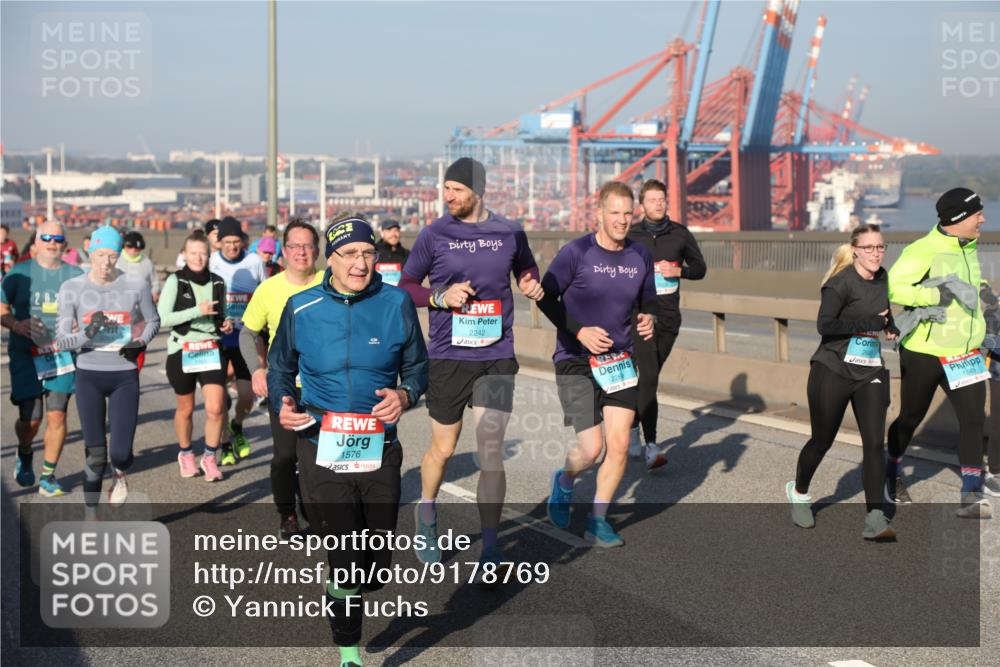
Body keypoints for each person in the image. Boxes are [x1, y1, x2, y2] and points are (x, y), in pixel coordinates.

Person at [268, 216, 427, 666]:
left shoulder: (396, 303)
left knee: (374, 561)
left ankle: (353, 583)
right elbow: (280, 366)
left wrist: (404, 394)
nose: (361, 264)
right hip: (321, 443)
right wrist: (283, 400)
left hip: (379, 446)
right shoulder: (301, 307)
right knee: (343, 552)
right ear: (330, 259)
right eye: (351, 254)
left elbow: (417, 368)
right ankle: (349, 653)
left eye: (369, 254)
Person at [399, 157, 543, 568]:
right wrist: (440, 298)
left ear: (478, 190)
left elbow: (526, 268)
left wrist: (530, 281)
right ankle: (426, 512)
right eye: (445, 188)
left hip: (496, 356)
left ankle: (492, 545)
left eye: (457, 190)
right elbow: (407, 286)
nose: (448, 197)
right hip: (447, 357)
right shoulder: (434, 234)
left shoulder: (510, 231)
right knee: (443, 449)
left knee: (491, 452)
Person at [538, 181, 656, 547]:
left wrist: (649, 316)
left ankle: (598, 519)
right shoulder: (576, 253)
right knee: (592, 449)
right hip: (575, 359)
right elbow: (546, 297)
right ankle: (565, 481)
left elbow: (648, 295)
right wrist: (580, 331)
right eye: (615, 213)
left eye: (627, 214)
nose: (622, 220)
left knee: (619, 445)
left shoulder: (640, 254)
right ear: (599, 215)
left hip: (619, 362)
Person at [785, 224, 898, 539]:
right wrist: (869, 322)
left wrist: (890, 325)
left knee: (875, 443)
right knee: (822, 440)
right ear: (856, 250)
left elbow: (881, 312)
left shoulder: (883, 277)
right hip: (832, 369)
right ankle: (800, 492)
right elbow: (825, 325)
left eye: (880, 247)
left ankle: (875, 517)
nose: (876, 253)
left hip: (869, 369)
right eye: (869, 248)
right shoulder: (839, 284)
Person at [885, 187, 991, 518]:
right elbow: (895, 286)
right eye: (977, 214)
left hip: (965, 352)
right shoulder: (924, 249)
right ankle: (892, 470)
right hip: (925, 352)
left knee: (974, 420)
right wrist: (935, 296)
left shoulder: (968, 248)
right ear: (957, 219)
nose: (982, 219)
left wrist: (987, 298)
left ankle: (971, 493)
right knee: (910, 418)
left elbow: (970, 289)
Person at [56, 225, 160, 507]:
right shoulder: (72, 288)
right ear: (89, 252)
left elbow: (153, 320)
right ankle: (92, 512)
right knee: (96, 453)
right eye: (100, 255)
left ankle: (121, 473)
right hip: (89, 374)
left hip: (124, 374)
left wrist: (140, 342)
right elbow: (62, 341)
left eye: (112, 256)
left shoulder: (135, 285)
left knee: (121, 453)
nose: (105, 263)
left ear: (119, 255)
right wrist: (89, 332)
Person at [240, 219, 323, 538]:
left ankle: (317, 512)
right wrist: (257, 370)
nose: (301, 252)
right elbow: (248, 334)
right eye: (294, 246)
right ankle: (287, 513)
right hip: (286, 383)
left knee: (319, 456)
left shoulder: (330, 282)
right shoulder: (269, 288)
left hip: (324, 385)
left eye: (307, 245)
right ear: (284, 251)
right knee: (286, 456)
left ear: (316, 251)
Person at [626, 179, 706, 469]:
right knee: (648, 379)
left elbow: (700, 269)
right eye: (652, 200)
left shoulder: (680, 234)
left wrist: (679, 271)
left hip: (669, 318)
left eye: (662, 199)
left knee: (647, 378)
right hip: (640, 317)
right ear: (642, 205)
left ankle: (632, 426)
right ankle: (652, 445)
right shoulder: (632, 236)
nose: (658, 204)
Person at [0, 222, 83, 496]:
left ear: (64, 244)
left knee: (57, 414)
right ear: (36, 242)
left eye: (57, 238)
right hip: (26, 353)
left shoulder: (75, 275)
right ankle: (24, 451)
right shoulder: (20, 272)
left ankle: (49, 476)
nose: (51, 242)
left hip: (61, 355)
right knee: (31, 419)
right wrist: (15, 325)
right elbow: (2, 308)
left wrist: (78, 326)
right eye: (45, 237)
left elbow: (89, 312)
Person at [158, 233, 231, 482]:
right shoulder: (175, 281)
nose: (198, 258)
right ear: (184, 255)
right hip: (182, 349)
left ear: (209, 254)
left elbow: (222, 316)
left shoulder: (219, 282)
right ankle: (186, 452)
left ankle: (210, 457)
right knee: (186, 409)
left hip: (211, 348)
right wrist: (195, 311)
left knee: (216, 408)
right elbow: (162, 319)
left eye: (203, 253)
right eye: (193, 253)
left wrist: (226, 323)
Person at [209, 216, 265, 465]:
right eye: (227, 242)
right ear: (219, 242)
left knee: (246, 395)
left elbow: (264, 293)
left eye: (236, 242)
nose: (232, 247)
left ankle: (237, 424)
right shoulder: (211, 263)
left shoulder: (254, 261)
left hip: (245, 337)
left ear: (243, 241)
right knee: (218, 400)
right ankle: (223, 445)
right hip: (218, 338)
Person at [117, 231, 161, 303]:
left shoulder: (147, 262)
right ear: (123, 246)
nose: (133, 250)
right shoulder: (116, 260)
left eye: (136, 248)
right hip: (120, 303)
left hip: (141, 303)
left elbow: (155, 282)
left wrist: (155, 292)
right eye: (129, 247)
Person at [374, 219, 409, 286]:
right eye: (389, 230)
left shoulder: (406, 254)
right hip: (378, 294)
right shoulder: (373, 252)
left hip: (399, 294)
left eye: (396, 230)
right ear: (382, 233)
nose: (393, 234)